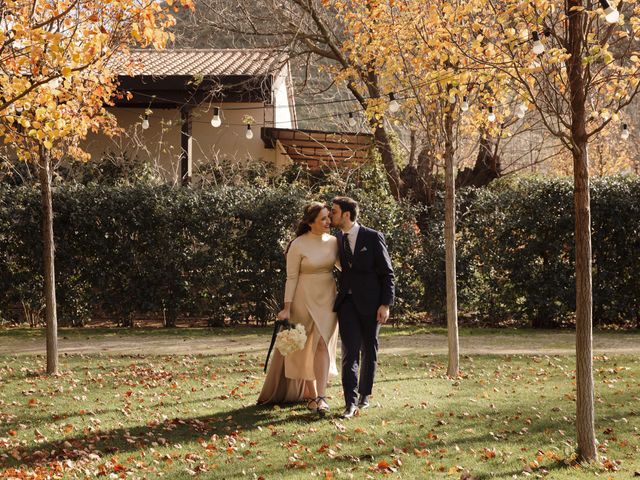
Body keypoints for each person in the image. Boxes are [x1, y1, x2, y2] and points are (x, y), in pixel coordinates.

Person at [257, 202, 339, 416]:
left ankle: (321, 397)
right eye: (323, 218)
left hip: (328, 299)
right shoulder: (298, 244)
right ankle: (312, 395)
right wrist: (286, 308)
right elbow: (291, 278)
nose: (328, 221)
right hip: (303, 298)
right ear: (310, 222)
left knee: (322, 344)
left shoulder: (334, 242)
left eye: (328, 217)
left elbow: (346, 268)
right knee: (304, 348)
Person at [331, 196, 395, 419]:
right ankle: (350, 402)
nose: (331, 215)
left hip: (372, 304)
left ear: (346, 215)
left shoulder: (372, 236)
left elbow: (387, 273)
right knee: (349, 353)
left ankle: (364, 396)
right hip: (346, 304)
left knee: (369, 349)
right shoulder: (336, 239)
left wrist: (385, 304)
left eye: (334, 211)